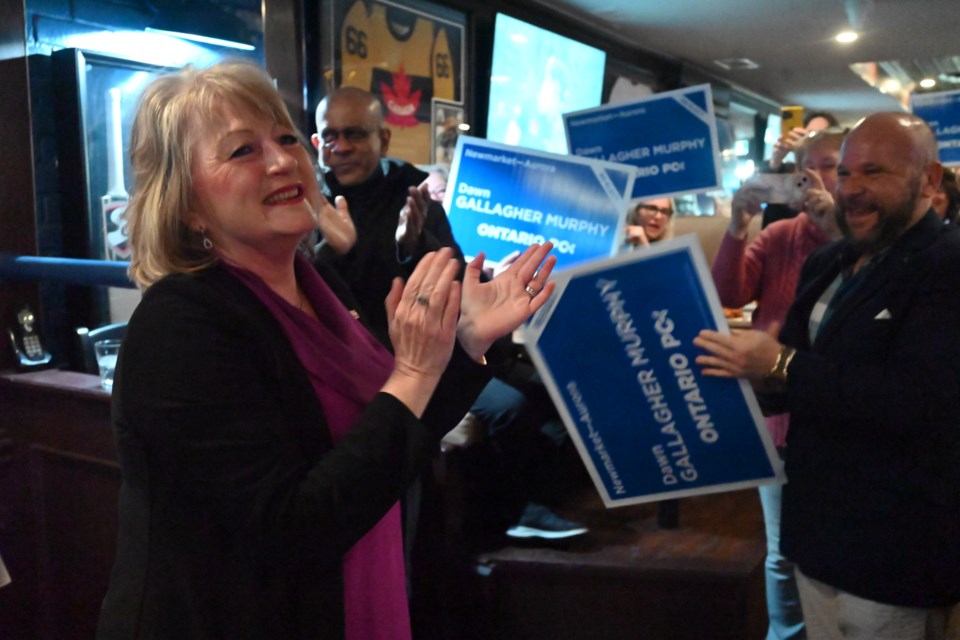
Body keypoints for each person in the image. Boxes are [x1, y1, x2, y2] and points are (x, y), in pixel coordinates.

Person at [95, 60, 558, 640]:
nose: (283, 159)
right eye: (243, 151)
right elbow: (291, 528)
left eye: (286, 138)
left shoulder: (319, 286)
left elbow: (395, 435)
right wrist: (412, 370)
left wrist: (466, 345)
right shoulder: (180, 327)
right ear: (186, 202)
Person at [694, 112, 960, 639]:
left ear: (929, 180)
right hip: (816, 531)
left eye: (873, 173)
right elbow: (789, 375)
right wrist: (734, 378)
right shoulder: (829, 262)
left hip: (895, 548)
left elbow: (921, 401)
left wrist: (777, 364)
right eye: (844, 174)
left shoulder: (947, 263)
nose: (852, 190)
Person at [313, 87, 587, 542]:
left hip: (426, 358)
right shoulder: (305, 204)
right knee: (509, 408)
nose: (340, 147)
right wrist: (333, 251)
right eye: (330, 136)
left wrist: (410, 247)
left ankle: (520, 510)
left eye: (354, 135)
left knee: (539, 394)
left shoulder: (415, 194)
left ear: (382, 139)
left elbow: (455, 276)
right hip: (346, 371)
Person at [711, 127, 845, 640]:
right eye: (806, 167)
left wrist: (834, 228)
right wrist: (737, 224)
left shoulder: (867, 244)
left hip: (837, 415)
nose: (815, 176)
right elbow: (729, 290)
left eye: (832, 165)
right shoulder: (781, 236)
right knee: (781, 547)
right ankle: (784, 633)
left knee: (832, 542)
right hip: (779, 413)